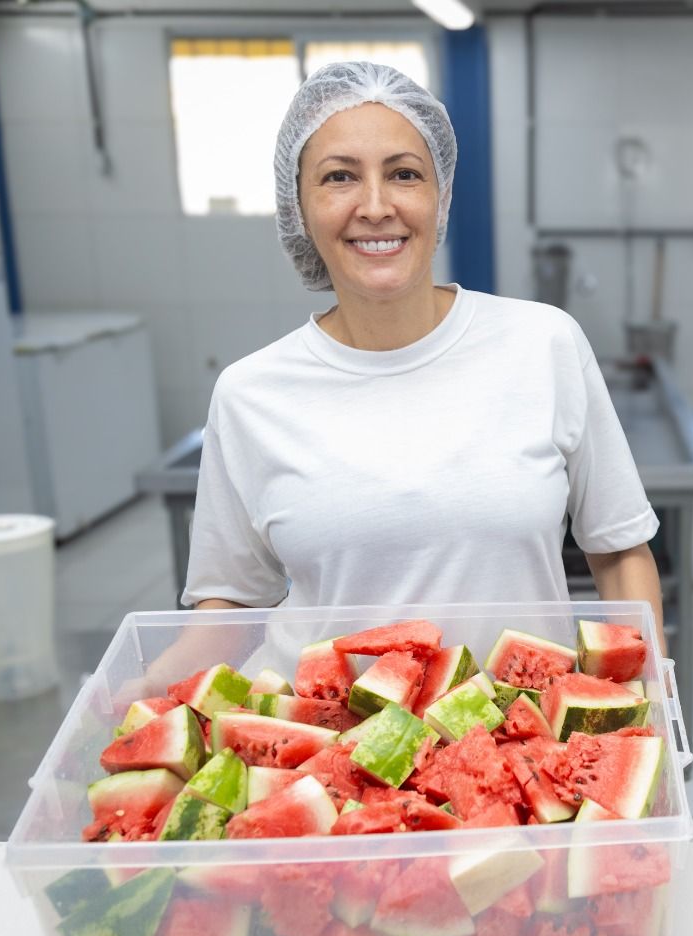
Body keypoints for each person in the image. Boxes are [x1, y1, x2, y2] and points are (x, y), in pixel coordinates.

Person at [181, 62, 662, 627]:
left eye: (405, 174)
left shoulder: (544, 343)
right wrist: (145, 675)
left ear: (441, 197)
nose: (376, 206)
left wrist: (650, 673)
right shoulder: (248, 394)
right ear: (298, 208)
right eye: (339, 177)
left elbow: (620, 550)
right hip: (328, 690)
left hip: (516, 689)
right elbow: (232, 602)